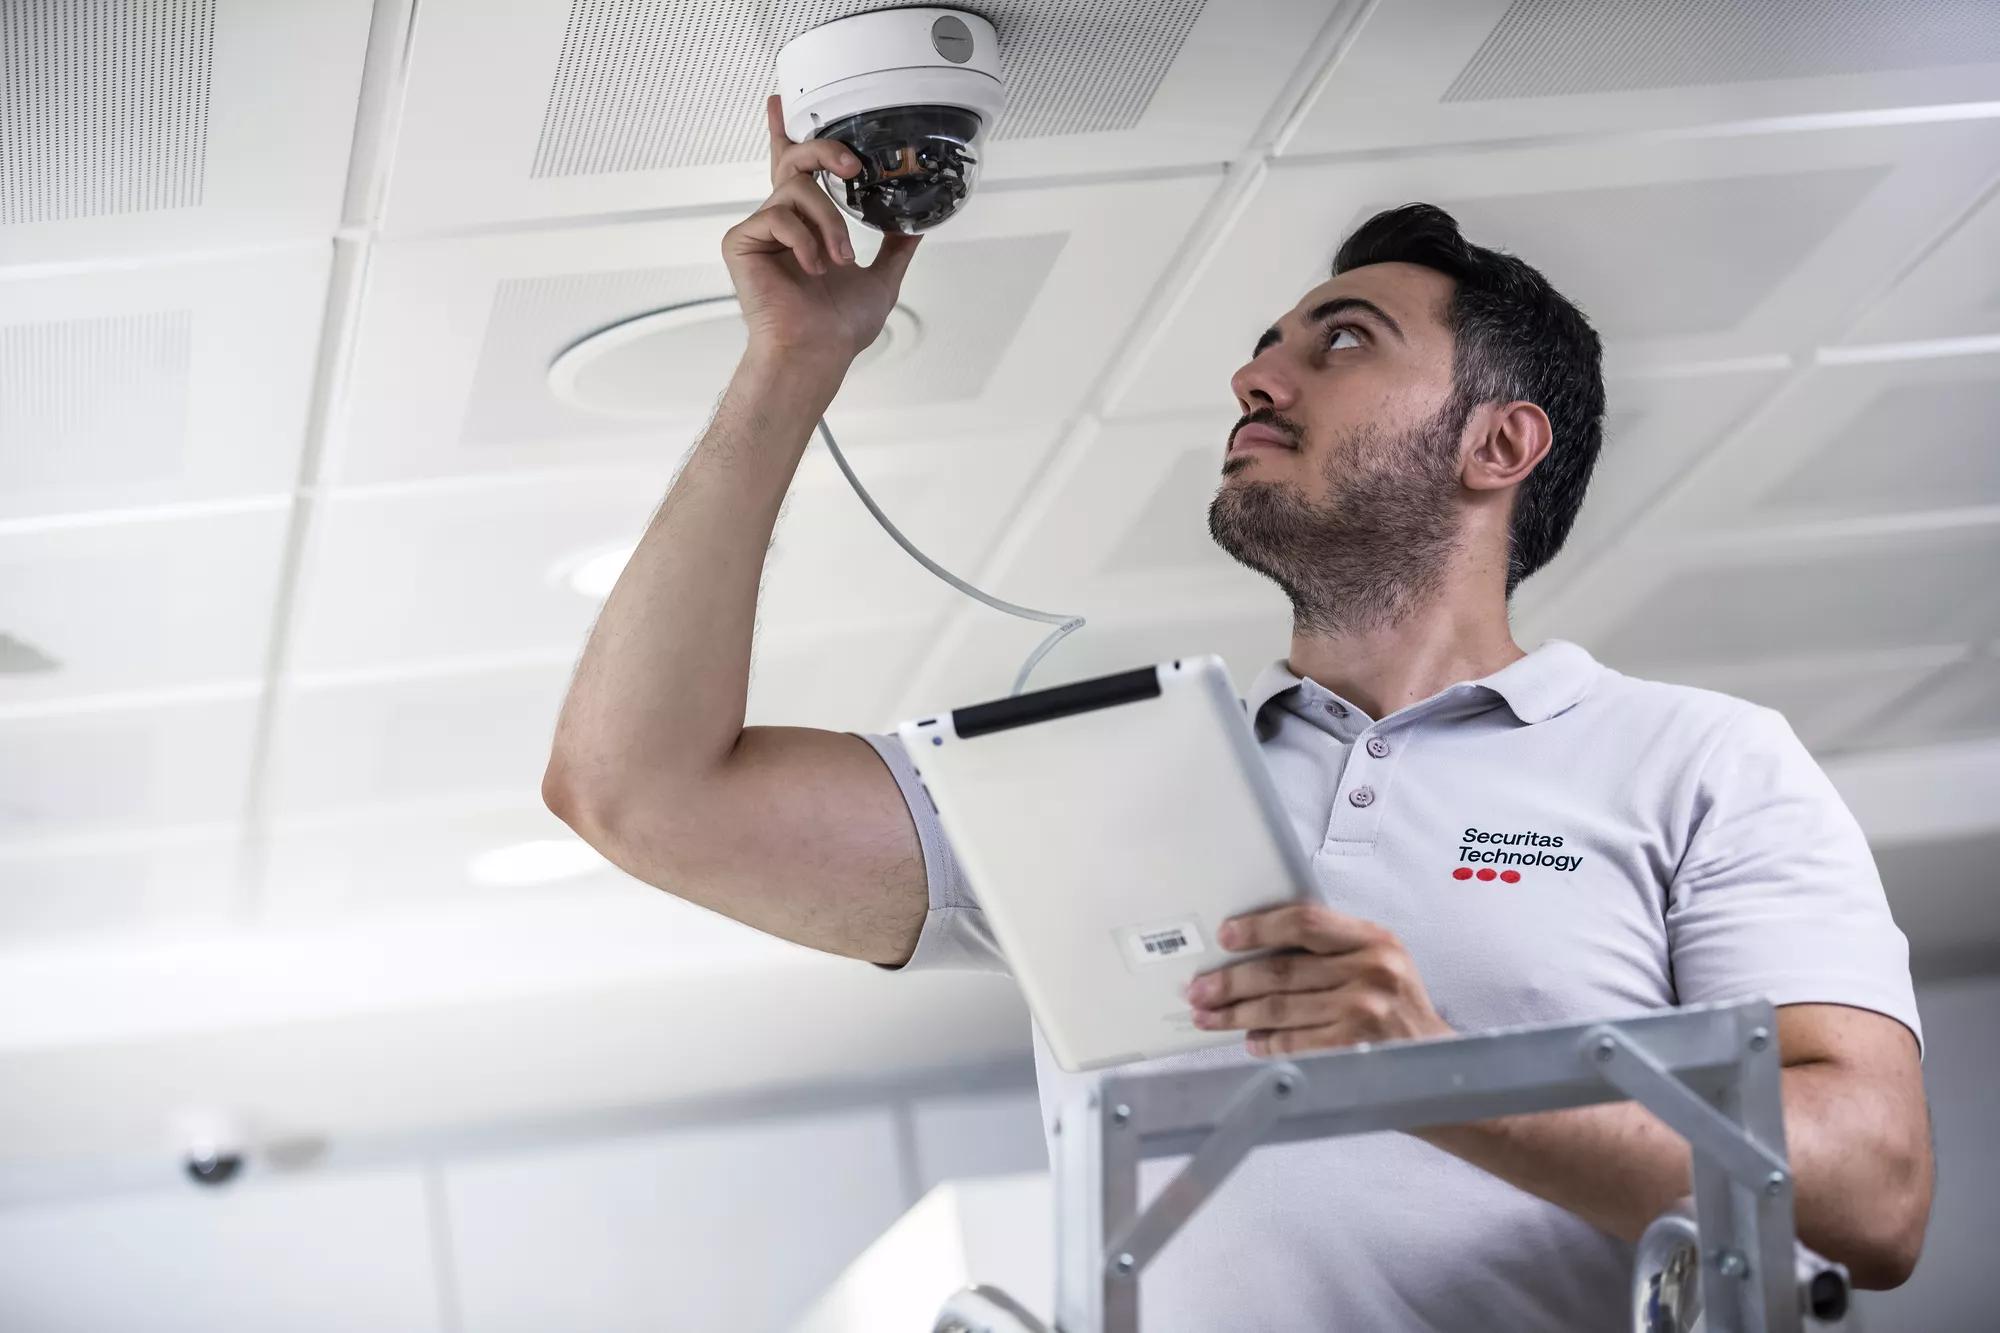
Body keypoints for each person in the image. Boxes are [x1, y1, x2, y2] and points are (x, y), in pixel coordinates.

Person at [543, 94, 1933, 1330]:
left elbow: (1874, 1194)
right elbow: (638, 791)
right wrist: (790, 364)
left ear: (1500, 442)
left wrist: (1433, 1068)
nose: (1258, 377)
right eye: (1271, 347)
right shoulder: (1104, 777)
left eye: (1343, 341)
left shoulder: (1699, 762)